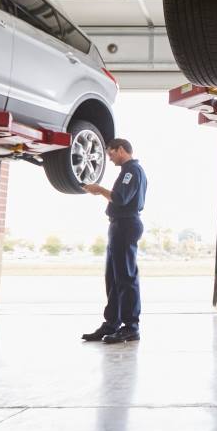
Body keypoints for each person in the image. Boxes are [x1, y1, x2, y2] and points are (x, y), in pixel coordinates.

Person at [81, 138, 148, 344]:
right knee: (113, 278)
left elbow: (120, 198)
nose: (109, 159)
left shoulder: (131, 171)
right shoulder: (127, 171)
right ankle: (111, 324)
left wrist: (99, 190)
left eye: (111, 154)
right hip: (119, 225)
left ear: (121, 150)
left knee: (125, 278)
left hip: (126, 225)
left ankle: (131, 328)